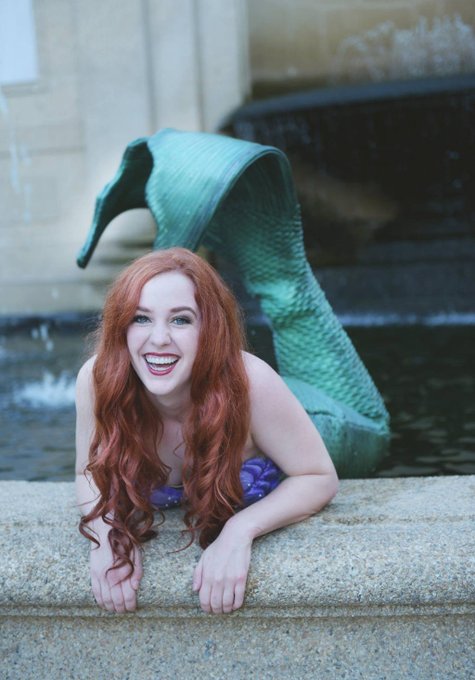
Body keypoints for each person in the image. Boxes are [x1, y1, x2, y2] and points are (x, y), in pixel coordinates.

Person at [75, 247, 339, 615]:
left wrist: (241, 530)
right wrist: (106, 534)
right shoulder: (99, 379)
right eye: (141, 318)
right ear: (122, 327)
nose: (159, 338)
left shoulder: (251, 384)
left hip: (305, 426)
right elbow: (86, 472)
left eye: (181, 320)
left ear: (210, 328)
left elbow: (318, 476)